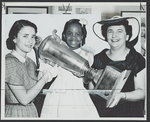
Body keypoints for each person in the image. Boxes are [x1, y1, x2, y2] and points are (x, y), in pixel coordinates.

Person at [40, 19, 99, 118]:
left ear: (82, 37)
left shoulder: (88, 56)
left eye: (77, 34)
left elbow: (86, 80)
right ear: (64, 35)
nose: (73, 37)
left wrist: (87, 77)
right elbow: (50, 74)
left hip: (78, 96)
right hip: (57, 95)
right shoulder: (56, 52)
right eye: (70, 33)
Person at [90, 16, 146, 117]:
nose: (114, 35)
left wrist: (122, 96)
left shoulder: (137, 58)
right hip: (104, 114)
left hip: (131, 114)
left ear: (127, 36)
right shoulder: (97, 59)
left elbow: (142, 92)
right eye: (110, 31)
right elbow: (93, 92)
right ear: (105, 35)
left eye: (119, 31)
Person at [5, 19, 53, 118]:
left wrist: (45, 66)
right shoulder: (9, 62)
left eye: (33, 37)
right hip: (15, 113)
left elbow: (35, 90)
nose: (30, 41)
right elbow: (25, 99)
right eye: (25, 36)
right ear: (14, 38)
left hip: (32, 111)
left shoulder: (30, 63)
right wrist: (44, 78)